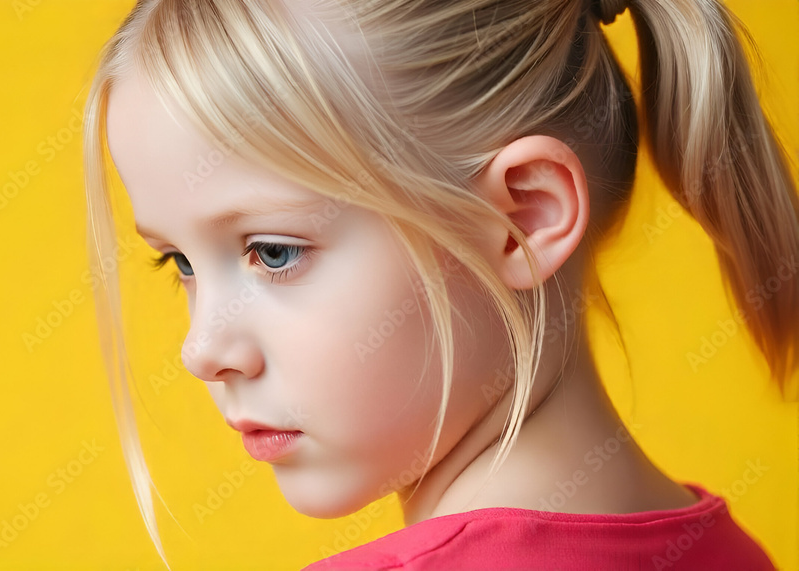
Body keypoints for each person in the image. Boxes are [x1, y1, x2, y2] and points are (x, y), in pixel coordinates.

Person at [82, 0, 798, 568]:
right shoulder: (737, 556)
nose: (202, 349)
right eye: (177, 261)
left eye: (272, 252)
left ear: (524, 216)